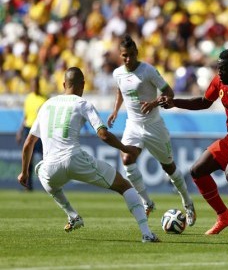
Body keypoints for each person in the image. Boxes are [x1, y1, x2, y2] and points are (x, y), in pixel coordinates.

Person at [17, 67, 160, 243]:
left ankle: (72, 215)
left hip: (51, 167)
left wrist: (24, 172)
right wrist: (125, 148)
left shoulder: (46, 105)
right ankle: (147, 234)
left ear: (64, 84)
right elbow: (103, 134)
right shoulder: (82, 103)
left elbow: (27, 144)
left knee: (40, 171)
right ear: (83, 85)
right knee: (125, 186)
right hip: (75, 159)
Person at [159, 49, 228, 237]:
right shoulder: (219, 81)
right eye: (218, 68)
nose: (219, 73)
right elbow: (203, 102)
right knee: (197, 171)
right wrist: (175, 102)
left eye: (224, 69)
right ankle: (223, 216)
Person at [107, 34, 196, 226]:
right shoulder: (118, 73)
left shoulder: (148, 71)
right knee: (127, 158)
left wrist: (154, 102)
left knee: (169, 167)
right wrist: (115, 111)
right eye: (124, 56)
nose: (128, 59)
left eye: (131, 55)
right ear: (120, 55)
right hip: (133, 124)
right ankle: (147, 202)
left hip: (154, 126)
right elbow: (120, 91)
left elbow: (169, 93)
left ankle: (187, 202)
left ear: (137, 53)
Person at [16, 76, 47, 191]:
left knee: (45, 159)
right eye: (33, 85)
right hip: (28, 129)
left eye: (36, 85)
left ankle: (47, 185)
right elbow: (25, 117)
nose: (35, 87)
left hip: (40, 130)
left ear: (39, 85)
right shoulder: (28, 98)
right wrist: (20, 131)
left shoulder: (44, 99)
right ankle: (28, 186)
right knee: (28, 159)